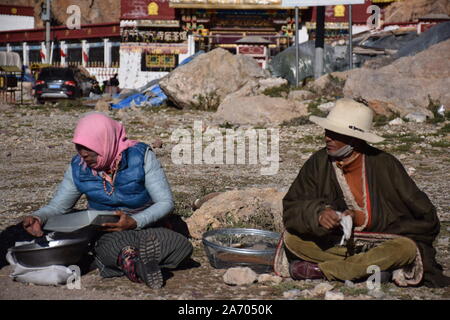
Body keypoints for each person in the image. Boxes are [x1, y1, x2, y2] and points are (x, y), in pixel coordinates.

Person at [1, 112, 192, 289]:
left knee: (181, 246)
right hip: (108, 231)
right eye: (79, 147)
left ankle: (129, 261)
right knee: (111, 245)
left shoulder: (140, 156)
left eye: (89, 147)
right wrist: (39, 217)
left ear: (105, 140)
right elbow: (59, 206)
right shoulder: (79, 167)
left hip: (148, 226)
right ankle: (139, 265)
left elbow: (165, 202)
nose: (83, 153)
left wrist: (135, 221)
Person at [282, 98, 450, 288]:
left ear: (355, 139)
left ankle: (323, 271)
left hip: (380, 244)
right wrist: (317, 214)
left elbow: (426, 217)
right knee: (292, 239)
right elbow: (291, 206)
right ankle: (369, 270)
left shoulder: (385, 165)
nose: (328, 138)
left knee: (406, 249)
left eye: (336, 134)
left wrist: (359, 217)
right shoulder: (318, 163)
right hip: (338, 244)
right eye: (328, 131)